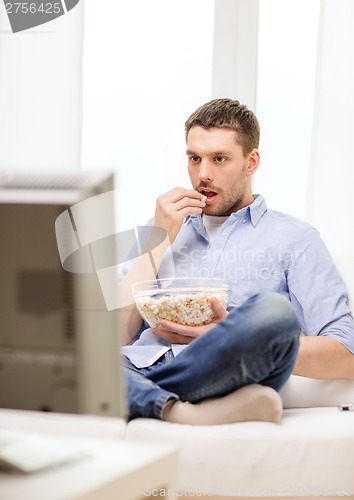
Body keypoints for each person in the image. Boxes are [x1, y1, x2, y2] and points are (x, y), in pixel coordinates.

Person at [119, 98, 354, 425]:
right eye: (194, 158)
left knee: (275, 311)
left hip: (227, 370)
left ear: (251, 161)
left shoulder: (296, 239)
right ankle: (178, 410)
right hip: (141, 367)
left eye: (219, 159)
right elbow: (113, 337)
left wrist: (228, 336)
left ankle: (145, 400)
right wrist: (156, 241)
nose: (203, 174)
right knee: (76, 361)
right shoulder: (163, 225)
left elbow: (347, 353)